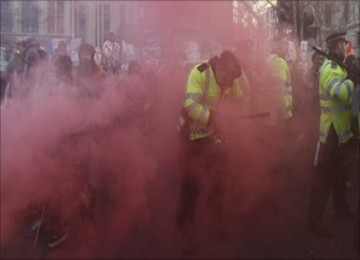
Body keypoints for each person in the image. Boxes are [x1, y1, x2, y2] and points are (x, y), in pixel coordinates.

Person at [176, 50, 244, 254]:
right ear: (219, 67)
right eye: (226, 78)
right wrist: (212, 118)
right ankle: (185, 236)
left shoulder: (230, 77)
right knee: (190, 187)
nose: (228, 84)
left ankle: (215, 225)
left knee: (219, 182)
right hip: (191, 137)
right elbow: (190, 105)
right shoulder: (199, 73)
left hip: (213, 137)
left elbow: (237, 100)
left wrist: (233, 116)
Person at [308, 31, 357, 238]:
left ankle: (341, 209)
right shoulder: (329, 68)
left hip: (341, 133)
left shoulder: (339, 67)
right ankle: (314, 221)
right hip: (330, 134)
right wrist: (353, 79)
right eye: (343, 44)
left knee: (339, 174)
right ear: (336, 45)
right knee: (324, 179)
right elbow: (342, 93)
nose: (345, 47)